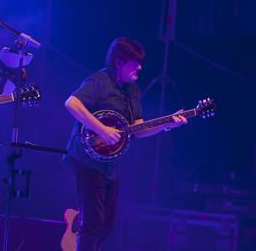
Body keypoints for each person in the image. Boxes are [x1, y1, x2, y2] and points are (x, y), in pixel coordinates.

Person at [64, 37, 187, 251]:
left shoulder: (132, 91)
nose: (139, 67)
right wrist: (101, 129)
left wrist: (167, 124)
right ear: (119, 62)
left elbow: (138, 128)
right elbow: (71, 103)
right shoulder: (100, 81)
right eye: (134, 62)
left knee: (107, 225)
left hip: (111, 165)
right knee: (93, 222)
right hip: (87, 161)